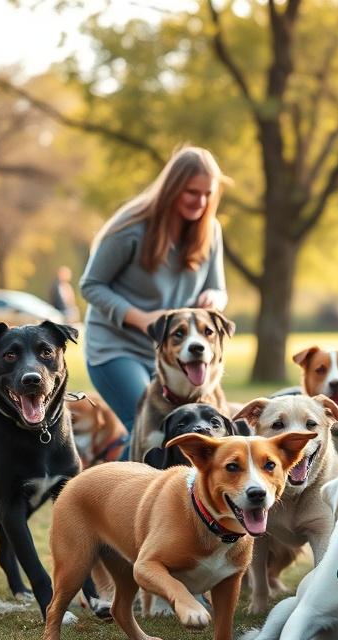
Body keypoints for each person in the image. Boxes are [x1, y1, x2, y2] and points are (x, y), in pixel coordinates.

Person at [80, 146, 229, 443]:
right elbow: (90, 285)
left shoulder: (210, 231)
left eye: (207, 194)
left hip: (174, 351)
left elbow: (219, 289)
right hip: (117, 347)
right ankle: (105, 488)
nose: (200, 201)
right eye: (191, 192)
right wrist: (141, 319)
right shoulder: (130, 227)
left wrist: (214, 298)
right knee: (148, 431)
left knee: (188, 432)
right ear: (172, 188)